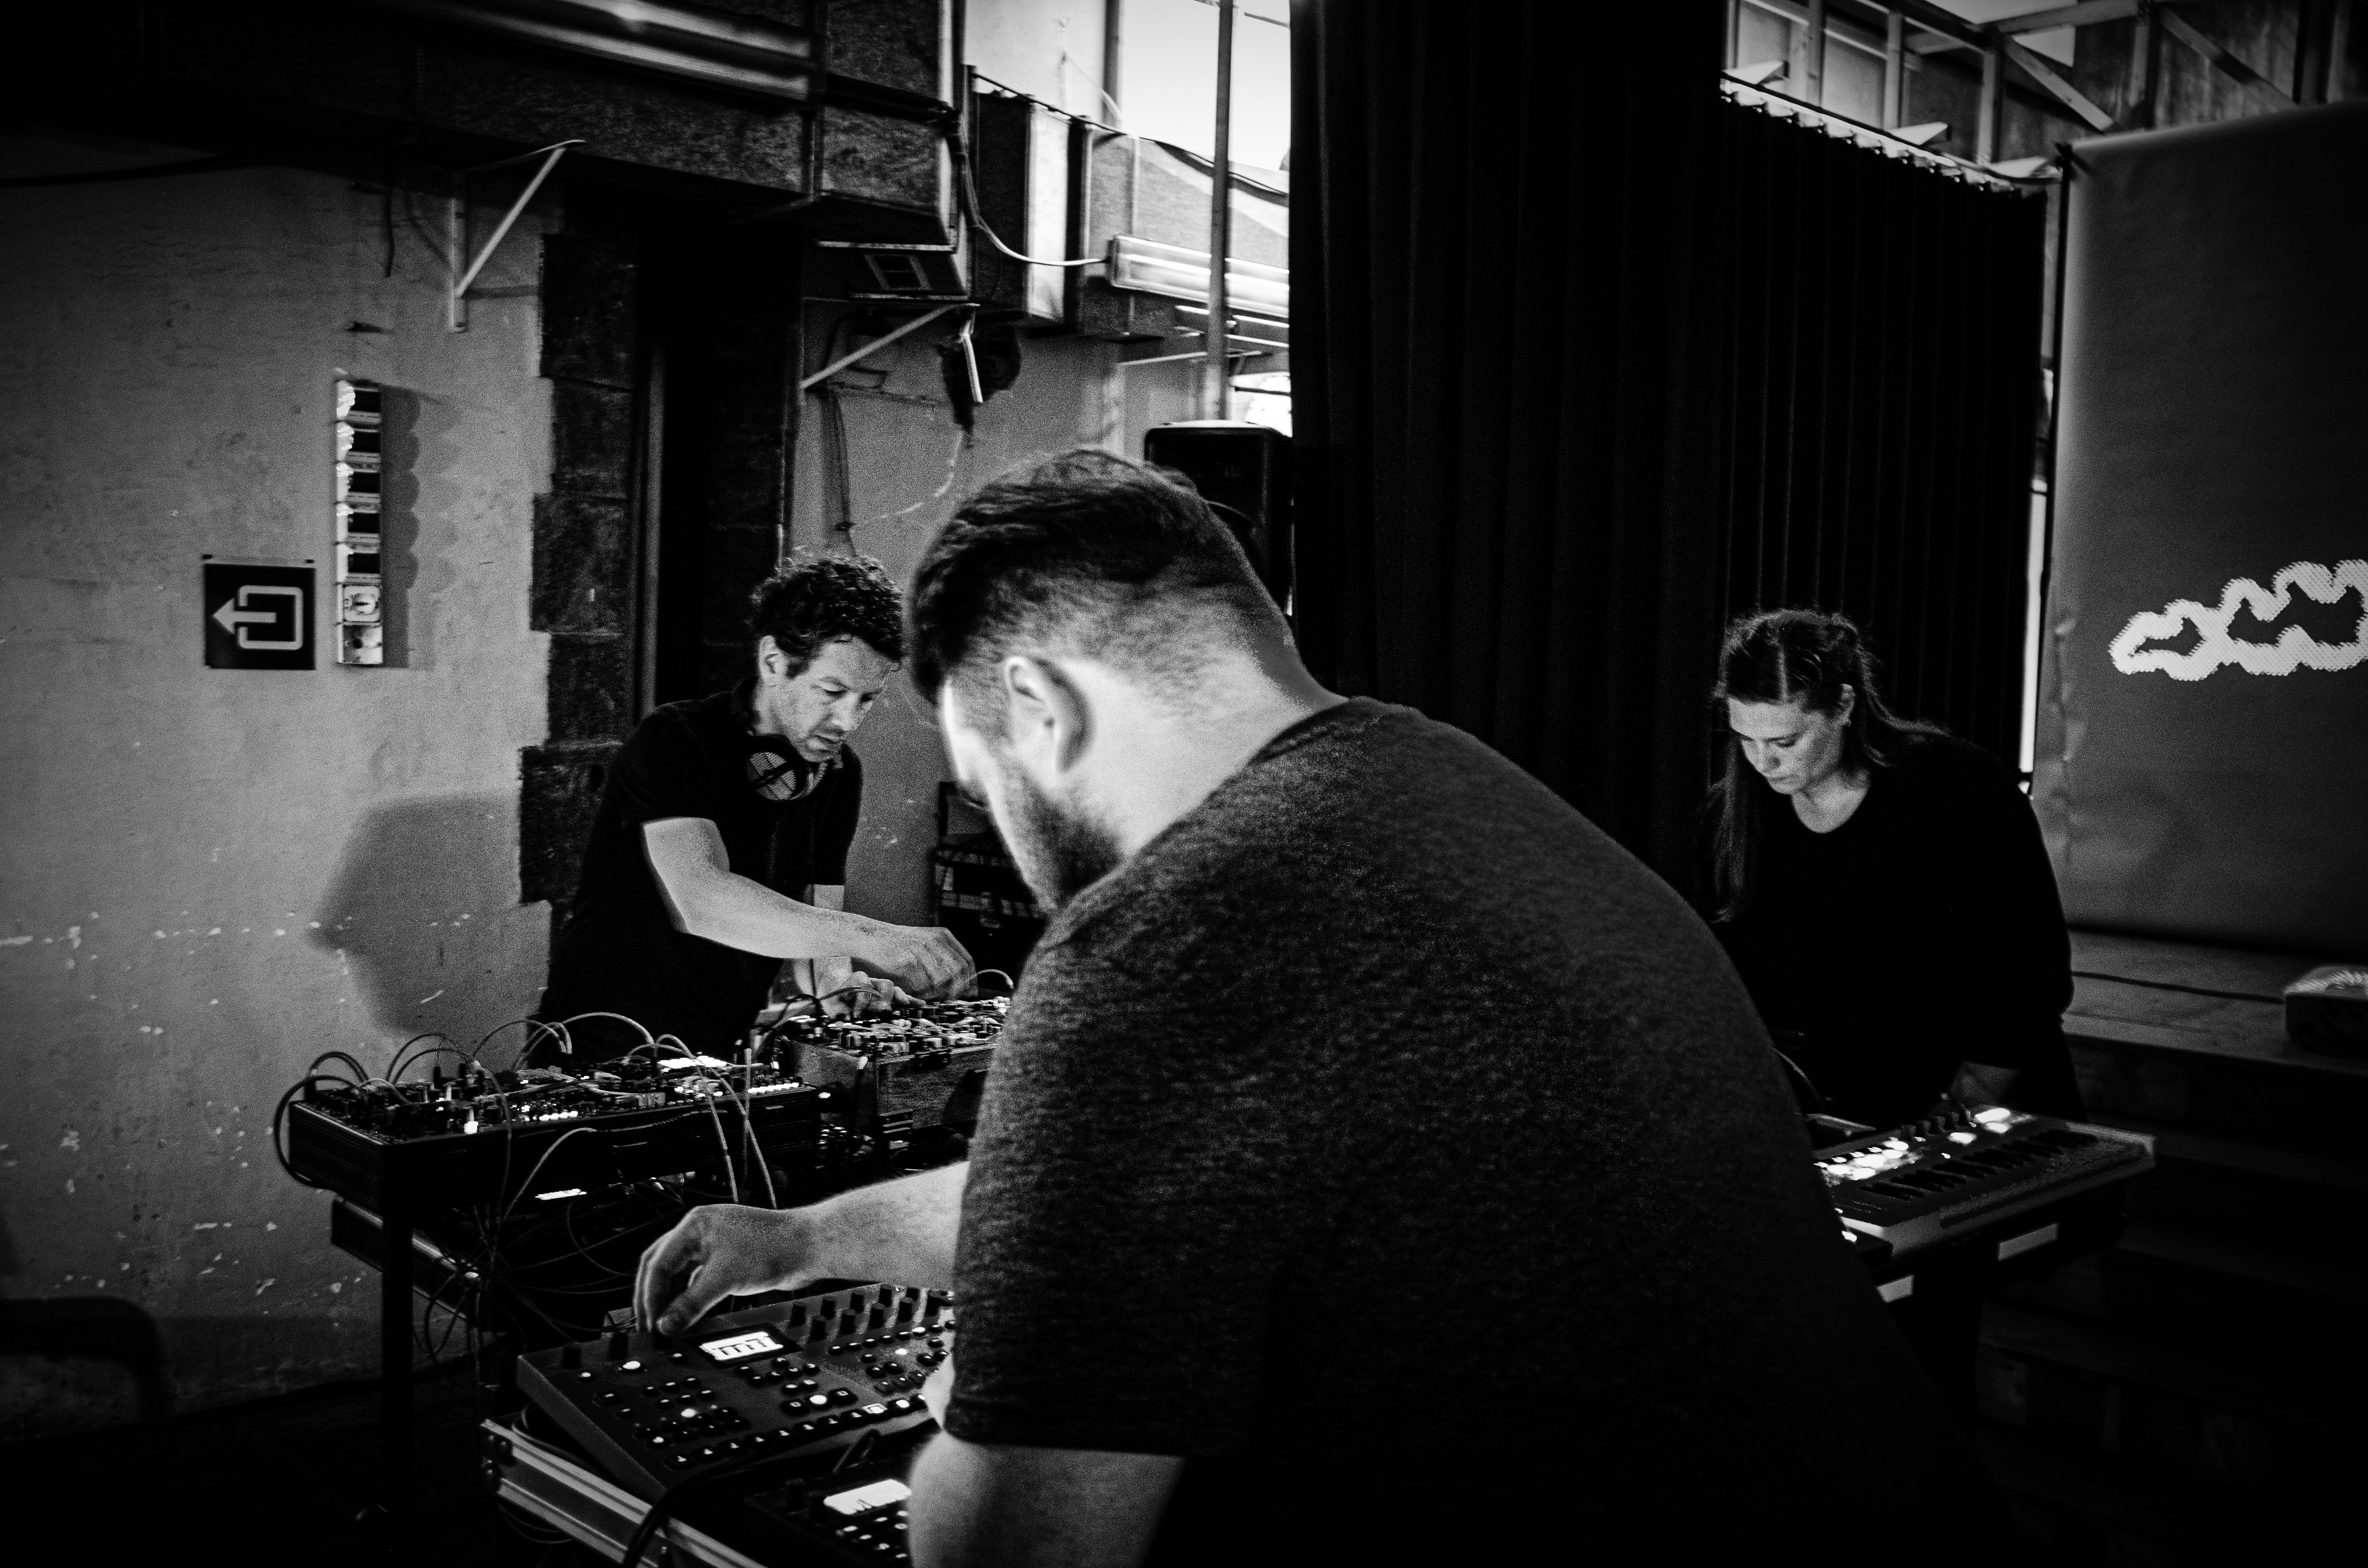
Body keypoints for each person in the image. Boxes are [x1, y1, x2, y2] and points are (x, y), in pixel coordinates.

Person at [635, 453, 1985, 1562]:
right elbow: (1106, 1194)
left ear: (1039, 706)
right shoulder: (1464, 797)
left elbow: (1016, 1549)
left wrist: (966, 1394)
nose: (1011, 839)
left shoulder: (1156, 944)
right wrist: (805, 1238)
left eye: (987, 784)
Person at [539, 555, 973, 1058]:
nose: (847, 721)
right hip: (601, 1050)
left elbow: (820, 954)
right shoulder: (676, 740)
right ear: (773, 662)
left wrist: (842, 988)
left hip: (718, 1057)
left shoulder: (838, 774)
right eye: (832, 691)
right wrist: (877, 937)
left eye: (866, 699)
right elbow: (702, 901)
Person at [1706, 608, 2084, 1133]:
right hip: (1843, 1112)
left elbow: (2028, 970)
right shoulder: (1733, 818)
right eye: (1745, 739)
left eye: (1785, 742)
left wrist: (1965, 1102)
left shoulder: (1955, 788)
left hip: (1979, 1101)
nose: (1762, 762)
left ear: (1843, 706)